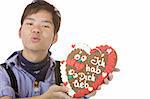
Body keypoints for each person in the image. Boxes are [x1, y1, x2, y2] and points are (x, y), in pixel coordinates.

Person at [0, 0, 119, 99]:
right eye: (30, 24)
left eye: (45, 26)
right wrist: (46, 98)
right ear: (20, 32)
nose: (36, 29)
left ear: (55, 37)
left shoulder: (66, 72)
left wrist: (89, 86)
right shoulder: (4, 72)